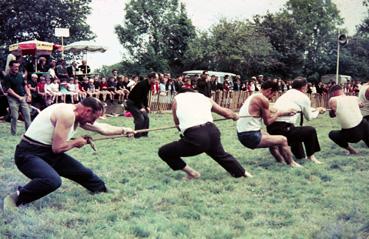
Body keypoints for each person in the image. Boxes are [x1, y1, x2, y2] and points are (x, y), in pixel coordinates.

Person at [3, 97, 134, 210]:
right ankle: (17, 197)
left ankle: (102, 191)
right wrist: (76, 142)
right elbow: (58, 148)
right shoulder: (67, 114)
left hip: (47, 152)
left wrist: (124, 130)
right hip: (28, 154)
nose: (92, 122)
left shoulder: (78, 115)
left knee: (84, 173)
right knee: (52, 180)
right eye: (93, 118)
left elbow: (102, 128)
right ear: (87, 110)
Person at [158, 88, 252, 180]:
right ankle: (244, 173)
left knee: (164, 152)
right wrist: (235, 115)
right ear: (193, 92)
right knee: (221, 155)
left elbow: (177, 122)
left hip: (196, 135)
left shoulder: (177, 99)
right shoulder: (204, 97)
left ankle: (192, 174)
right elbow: (226, 113)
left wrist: (182, 130)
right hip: (212, 131)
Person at [237, 80, 301, 167]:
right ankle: (291, 163)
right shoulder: (262, 99)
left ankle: (280, 161)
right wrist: (279, 113)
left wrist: (283, 112)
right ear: (269, 90)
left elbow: (269, 109)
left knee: (271, 138)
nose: (272, 98)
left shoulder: (254, 96)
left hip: (243, 133)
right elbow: (268, 122)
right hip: (249, 136)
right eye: (273, 94)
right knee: (283, 140)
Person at [266, 77, 325, 163]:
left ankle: (300, 156)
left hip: (272, 128)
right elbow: (309, 117)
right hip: (282, 129)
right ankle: (311, 157)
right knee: (310, 130)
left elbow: (301, 108)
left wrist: (316, 109)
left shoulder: (286, 94)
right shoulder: (303, 97)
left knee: (296, 130)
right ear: (304, 87)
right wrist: (318, 111)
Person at [328, 85, 369, 154]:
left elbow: (332, 115)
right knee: (364, 124)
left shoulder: (333, 100)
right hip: (364, 126)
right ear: (342, 91)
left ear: (333, 93)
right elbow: (361, 105)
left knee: (332, 134)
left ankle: (352, 151)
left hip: (351, 133)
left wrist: (332, 110)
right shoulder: (354, 98)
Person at [3, 60, 32, 135]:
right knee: (15, 117)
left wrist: (29, 95)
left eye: (18, 66)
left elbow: (25, 85)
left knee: (27, 115)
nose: (17, 68)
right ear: (10, 67)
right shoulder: (7, 77)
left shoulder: (20, 75)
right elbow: (8, 90)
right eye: (15, 66)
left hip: (22, 97)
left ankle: (28, 133)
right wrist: (18, 97)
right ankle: (13, 133)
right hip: (13, 99)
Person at [126, 72, 158, 138]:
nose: (157, 81)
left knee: (146, 117)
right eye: (156, 79)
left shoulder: (148, 84)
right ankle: (137, 136)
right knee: (140, 118)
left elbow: (144, 97)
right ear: (151, 78)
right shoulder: (142, 84)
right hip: (131, 103)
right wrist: (140, 107)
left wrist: (146, 106)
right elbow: (137, 97)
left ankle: (144, 135)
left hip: (137, 102)